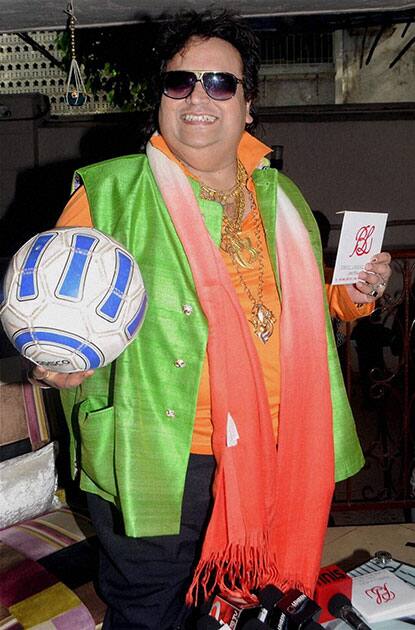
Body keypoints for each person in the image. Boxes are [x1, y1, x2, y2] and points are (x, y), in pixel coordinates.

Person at [28, 10, 392, 630]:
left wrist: (352, 294)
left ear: (248, 104)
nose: (200, 96)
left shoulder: (283, 197)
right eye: (181, 82)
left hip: (279, 448)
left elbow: (300, 308)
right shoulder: (107, 194)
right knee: (150, 613)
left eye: (221, 83)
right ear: (161, 98)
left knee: (257, 610)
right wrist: (57, 362)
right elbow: (55, 312)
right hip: (158, 457)